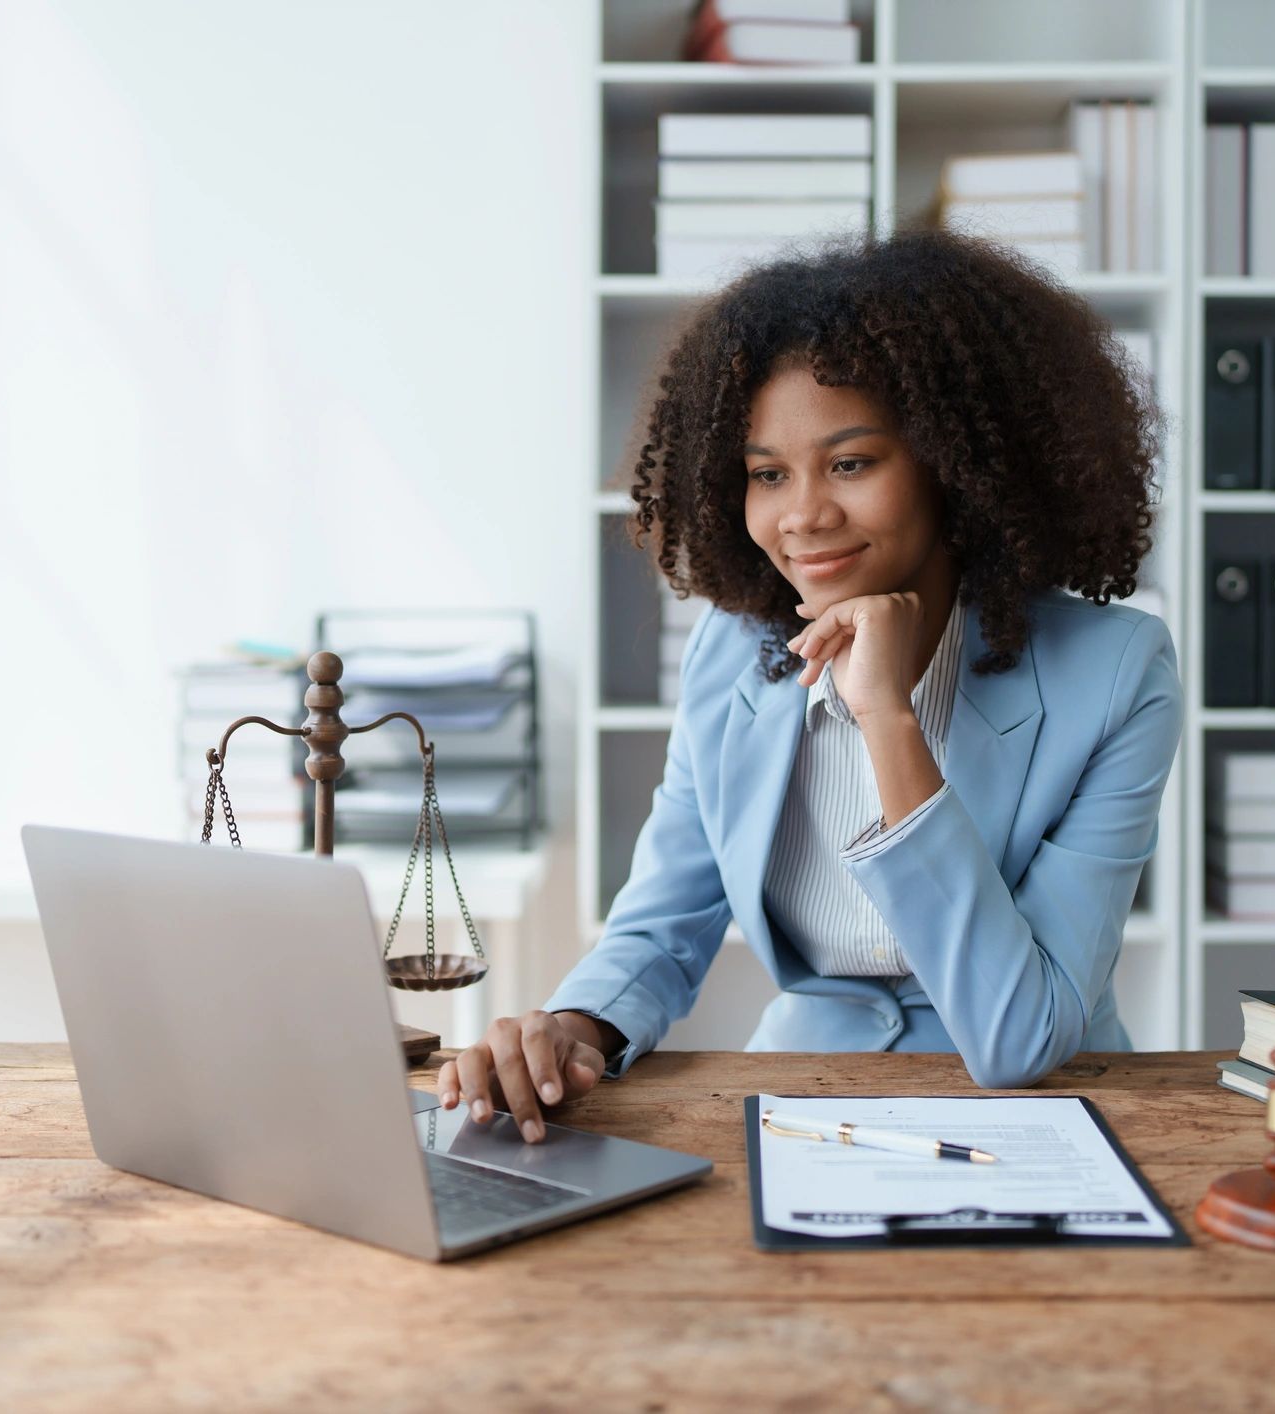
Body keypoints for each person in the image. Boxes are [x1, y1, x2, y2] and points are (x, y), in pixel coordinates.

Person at [441, 228, 1181, 1141]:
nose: (802, 516)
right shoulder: (733, 651)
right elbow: (663, 922)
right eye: (765, 474)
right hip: (802, 1092)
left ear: (956, 466)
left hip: (1039, 1115)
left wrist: (885, 717)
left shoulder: (1115, 674)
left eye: (850, 463)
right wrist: (574, 1028)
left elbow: (1017, 1036)